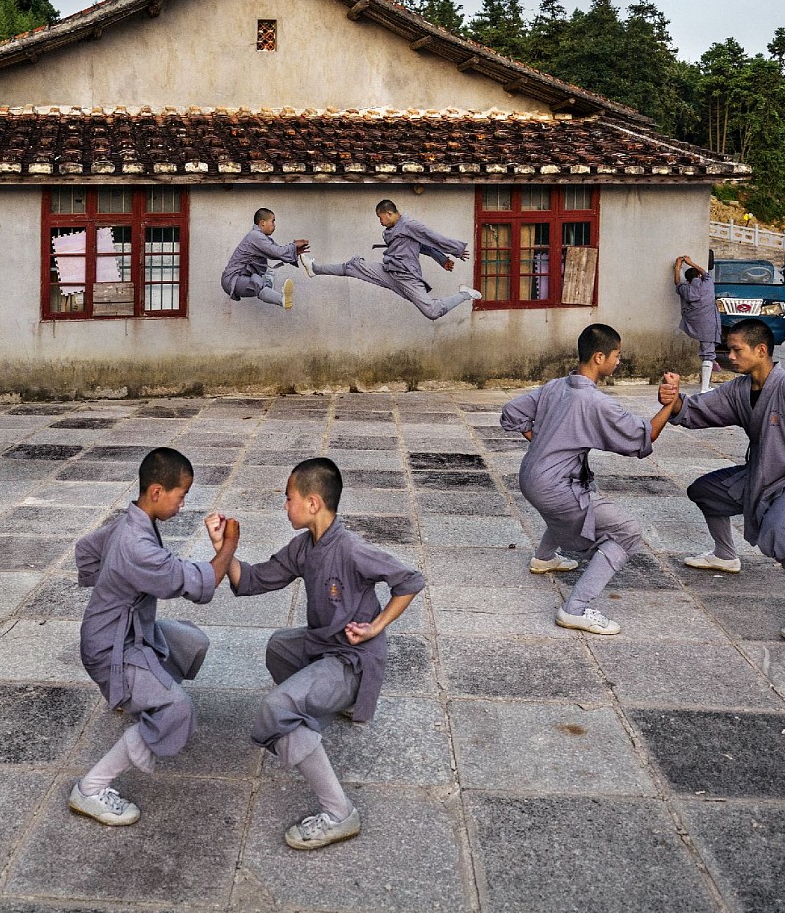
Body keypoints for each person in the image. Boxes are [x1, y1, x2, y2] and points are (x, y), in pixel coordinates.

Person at [221, 457, 424, 850]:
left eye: (288, 497)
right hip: (322, 645)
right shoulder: (304, 546)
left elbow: (409, 580)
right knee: (279, 646)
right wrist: (224, 550)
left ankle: (339, 813)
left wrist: (376, 627)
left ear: (313, 503)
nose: (285, 506)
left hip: (352, 660)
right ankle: (307, 716)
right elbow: (252, 580)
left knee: (277, 706)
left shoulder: (351, 549)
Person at [660, 318, 785, 643]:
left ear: (761, 350)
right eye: (729, 349)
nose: (730, 357)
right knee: (706, 491)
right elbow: (695, 411)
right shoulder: (739, 389)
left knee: (779, 533)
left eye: (737, 350)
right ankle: (725, 555)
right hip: (759, 475)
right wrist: (673, 398)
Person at [70, 448, 240, 826]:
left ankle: (133, 695)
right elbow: (200, 582)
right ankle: (91, 789)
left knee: (189, 643)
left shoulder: (129, 523)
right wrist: (228, 544)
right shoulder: (137, 545)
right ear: (158, 491)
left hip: (119, 632)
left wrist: (113, 589)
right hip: (110, 649)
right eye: (181, 496)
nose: (182, 505)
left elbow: (86, 550)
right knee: (177, 710)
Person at [500, 324, 681, 635]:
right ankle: (575, 609)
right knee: (627, 533)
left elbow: (511, 412)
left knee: (584, 491)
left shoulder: (556, 386)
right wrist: (670, 404)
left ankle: (544, 559)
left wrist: (545, 444)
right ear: (599, 357)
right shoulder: (596, 402)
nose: (618, 362)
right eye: (616, 355)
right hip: (554, 486)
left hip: (530, 476)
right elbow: (643, 437)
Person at [305, 199, 480, 321]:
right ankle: (315, 268)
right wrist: (442, 259)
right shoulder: (395, 228)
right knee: (353, 266)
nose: (380, 222)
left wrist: (456, 249)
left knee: (432, 311)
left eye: (380, 217)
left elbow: (431, 237)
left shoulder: (410, 224)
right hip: (389, 271)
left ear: (388, 213)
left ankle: (464, 294)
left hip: (406, 277)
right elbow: (422, 246)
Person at [220, 208, 308, 310]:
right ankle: (282, 299)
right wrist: (293, 246)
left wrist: (294, 251)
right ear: (262, 223)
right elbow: (277, 252)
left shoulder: (260, 237)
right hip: (233, 279)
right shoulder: (255, 236)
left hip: (240, 277)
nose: (274, 225)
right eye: (272, 221)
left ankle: (281, 299)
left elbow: (278, 252)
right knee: (258, 282)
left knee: (263, 279)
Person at [673, 255, 719, 393]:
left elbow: (677, 282)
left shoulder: (686, 289)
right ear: (699, 276)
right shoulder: (707, 285)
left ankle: (705, 386)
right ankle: (705, 388)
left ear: (688, 280)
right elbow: (704, 272)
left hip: (695, 323)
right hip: (709, 324)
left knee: (706, 352)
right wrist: (690, 262)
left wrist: (677, 267)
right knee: (708, 354)